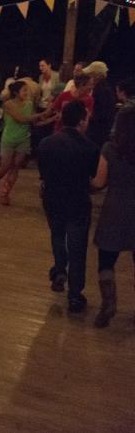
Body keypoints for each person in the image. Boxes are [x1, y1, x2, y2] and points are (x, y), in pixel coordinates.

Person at [38, 100, 99, 313]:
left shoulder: (46, 143)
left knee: (57, 235)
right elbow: (93, 181)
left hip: (53, 199)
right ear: (82, 121)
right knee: (78, 247)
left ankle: (59, 270)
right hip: (78, 202)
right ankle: (74, 295)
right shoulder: (90, 148)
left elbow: (43, 175)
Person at [90, 105, 135, 327]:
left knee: (106, 262)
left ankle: (108, 304)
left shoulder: (110, 149)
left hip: (115, 210)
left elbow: (99, 182)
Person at [0, 81, 46, 205]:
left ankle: (5, 193)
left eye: (27, 90)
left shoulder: (30, 104)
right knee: (5, 165)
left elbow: (34, 123)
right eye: (24, 90)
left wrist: (51, 117)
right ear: (16, 92)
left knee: (16, 166)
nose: (27, 93)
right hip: (9, 138)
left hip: (24, 139)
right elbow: (21, 119)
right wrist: (42, 114)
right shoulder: (8, 104)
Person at [83, 61, 116, 148]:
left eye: (91, 74)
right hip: (102, 130)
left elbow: (100, 113)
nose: (89, 76)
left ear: (97, 75)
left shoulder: (101, 90)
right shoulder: (105, 87)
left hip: (98, 132)